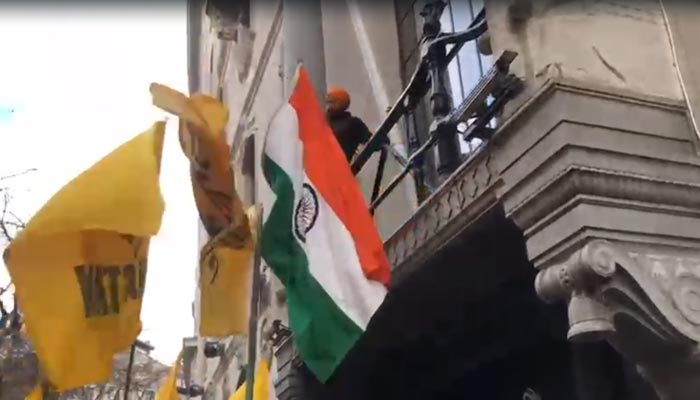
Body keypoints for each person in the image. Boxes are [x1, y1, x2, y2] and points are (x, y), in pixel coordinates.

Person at [325, 87, 386, 163]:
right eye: (327, 102)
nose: (328, 106)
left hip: (336, 168)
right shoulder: (323, 121)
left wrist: (384, 132)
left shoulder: (352, 123)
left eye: (332, 102)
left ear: (340, 103)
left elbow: (373, 142)